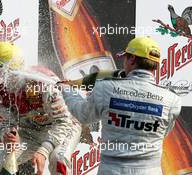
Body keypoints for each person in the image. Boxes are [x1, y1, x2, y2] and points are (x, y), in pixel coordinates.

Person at [56, 36, 182, 175]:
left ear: (132, 59)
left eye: (125, 57)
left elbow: (82, 115)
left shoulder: (105, 88)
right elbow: (162, 134)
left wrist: (67, 90)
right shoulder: (172, 99)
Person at [0, 42, 82, 175]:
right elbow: (4, 121)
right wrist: (8, 135)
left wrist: (44, 151)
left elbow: (63, 122)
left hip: (66, 127)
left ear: (2, 68)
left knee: (58, 158)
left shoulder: (43, 83)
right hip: (30, 132)